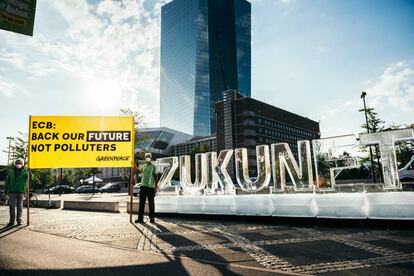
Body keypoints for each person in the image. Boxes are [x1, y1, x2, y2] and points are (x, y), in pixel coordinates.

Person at [135, 153, 158, 224]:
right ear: (145, 158)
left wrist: (156, 187)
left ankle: (152, 218)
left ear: (151, 158)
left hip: (151, 187)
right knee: (141, 203)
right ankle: (140, 218)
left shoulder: (154, 166)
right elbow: (139, 172)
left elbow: (156, 177)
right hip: (143, 186)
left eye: (148, 157)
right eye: (146, 157)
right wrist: (134, 166)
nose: (147, 158)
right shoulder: (143, 166)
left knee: (151, 203)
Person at [4, 159, 28, 227]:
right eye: (17, 163)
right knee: (12, 207)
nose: (18, 164)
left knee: (19, 207)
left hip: (21, 191)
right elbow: (7, 181)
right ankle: (11, 221)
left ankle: (19, 221)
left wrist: (30, 172)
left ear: (22, 164)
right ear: (15, 164)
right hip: (12, 191)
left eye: (20, 163)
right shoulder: (11, 171)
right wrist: (5, 190)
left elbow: (30, 179)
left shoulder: (25, 171)